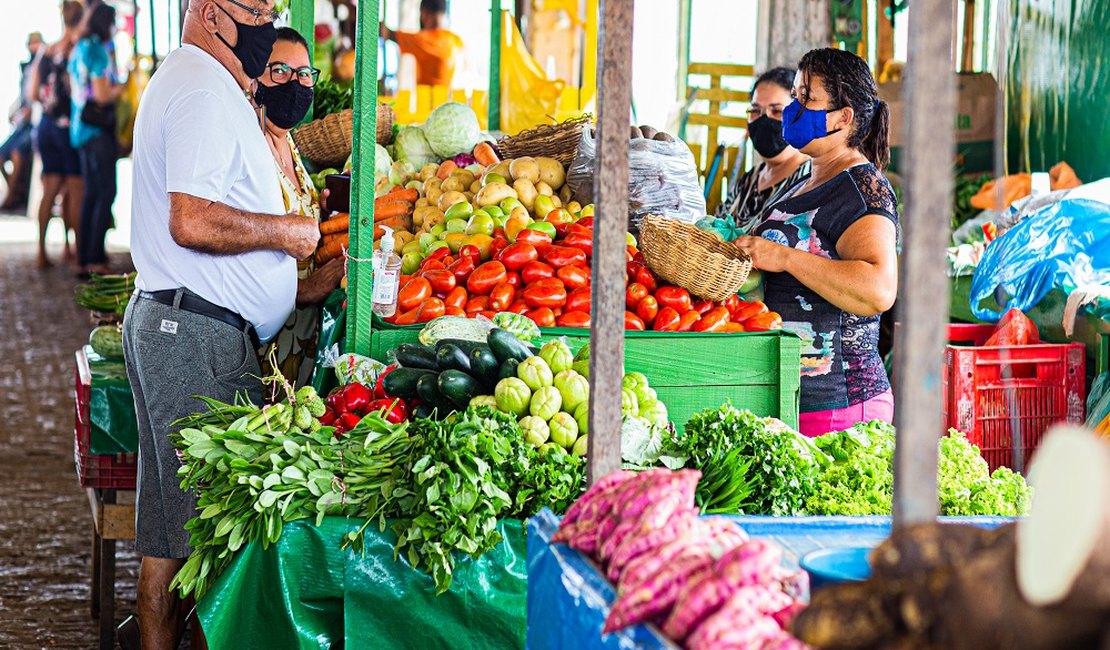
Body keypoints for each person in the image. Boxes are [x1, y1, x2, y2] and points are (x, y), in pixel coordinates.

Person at [122, 0, 317, 646]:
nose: (268, 19)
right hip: (195, 338)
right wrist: (285, 232)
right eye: (257, 9)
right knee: (195, 545)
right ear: (210, 13)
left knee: (171, 537)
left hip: (185, 329)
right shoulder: (203, 90)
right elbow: (192, 219)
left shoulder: (204, 81)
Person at [734, 48, 898, 437]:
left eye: (807, 98)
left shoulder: (862, 187)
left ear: (844, 117)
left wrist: (785, 258)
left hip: (839, 405)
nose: (794, 107)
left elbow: (877, 289)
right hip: (794, 400)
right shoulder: (809, 179)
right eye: (795, 95)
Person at [255, 27, 345, 387]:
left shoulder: (286, 138)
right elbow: (239, 244)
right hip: (268, 340)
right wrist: (305, 290)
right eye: (279, 71)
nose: (295, 84)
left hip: (301, 331)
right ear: (255, 75)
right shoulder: (252, 145)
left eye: (304, 74)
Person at [716, 67, 811, 234]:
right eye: (755, 111)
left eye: (776, 111)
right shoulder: (750, 179)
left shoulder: (807, 181)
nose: (764, 119)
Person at [29, 2, 84, 268]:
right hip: (69, 129)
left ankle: (41, 252)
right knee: (74, 191)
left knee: (50, 190)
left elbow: (32, 94)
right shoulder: (77, 50)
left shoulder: (46, 51)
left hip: (46, 127)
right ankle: (74, 250)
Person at [69, 2, 122, 276]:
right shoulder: (99, 52)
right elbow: (102, 95)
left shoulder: (79, 47)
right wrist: (121, 88)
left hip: (80, 130)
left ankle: (84, 257)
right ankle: (95, 258)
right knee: (105, 193)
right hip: (98, 131)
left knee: (91, 194)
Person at [0, 32, 45, 211]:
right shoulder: (26, 68)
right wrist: (15, 112)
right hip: (22, 125)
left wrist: (31, 111)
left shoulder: (44, 64)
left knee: (19, 154)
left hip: (36, 125)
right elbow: (24, 97)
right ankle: (15, 190)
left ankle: (11, 198)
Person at [379, 0, 464, 87]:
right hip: (451, 98)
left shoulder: (423, 40)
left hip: (428, 98)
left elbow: (387, 33)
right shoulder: (456, 40)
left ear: (424, 13)